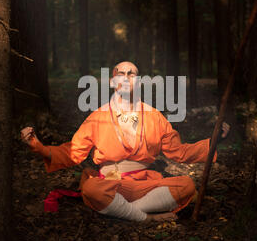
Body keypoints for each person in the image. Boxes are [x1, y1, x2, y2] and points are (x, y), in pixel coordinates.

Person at [21, 61, 230, 222]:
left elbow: (180, 152)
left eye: (132, 73)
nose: (127, 76)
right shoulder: (97, 116)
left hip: (144, 184)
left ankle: (128, 212)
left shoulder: (154, 116)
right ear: (113, 81)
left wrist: (213, 141)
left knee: (186, 185)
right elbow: (73, 152)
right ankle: (146, 218)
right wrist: (39, 148)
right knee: (91, 189)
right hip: (110, 183)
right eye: (121, 73)